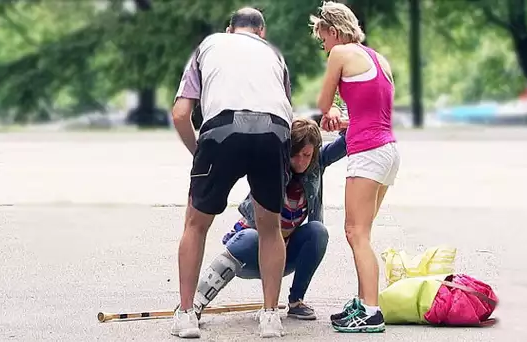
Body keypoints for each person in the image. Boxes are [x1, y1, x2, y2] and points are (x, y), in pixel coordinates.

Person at [170, 7, 294, 339]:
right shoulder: (275, 56)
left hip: (221, 131)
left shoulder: (209, 45)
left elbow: (181, 113)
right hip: (273, 132)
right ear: (261, 32)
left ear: (229, 29)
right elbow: (286, 113)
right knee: (270, 227)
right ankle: (270, 317)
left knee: (196, 225)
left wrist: (200, 155)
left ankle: (186, 316)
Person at [194, 117, 347, 324]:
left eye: (307, 155)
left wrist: (337, 116)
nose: (301, 161)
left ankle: (296, 302)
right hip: (251, 252)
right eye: (295, 154)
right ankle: (195, 303)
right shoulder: (273, 163)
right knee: (249, 237)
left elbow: (350, 139)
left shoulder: (317, 162)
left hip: (284, 254)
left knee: (317, 231)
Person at [309, 1, 401, 334]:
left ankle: (372, 312)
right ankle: (364, 304)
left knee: (355, 233)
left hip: (368, 153)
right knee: (363, 233)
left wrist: (329, 112)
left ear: (333, 31)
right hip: (388, 150)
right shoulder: (378, 58)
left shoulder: (341, 54)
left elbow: (322, 103)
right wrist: (343, 119)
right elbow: (372, 114)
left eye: (323, 40)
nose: (324, 48)